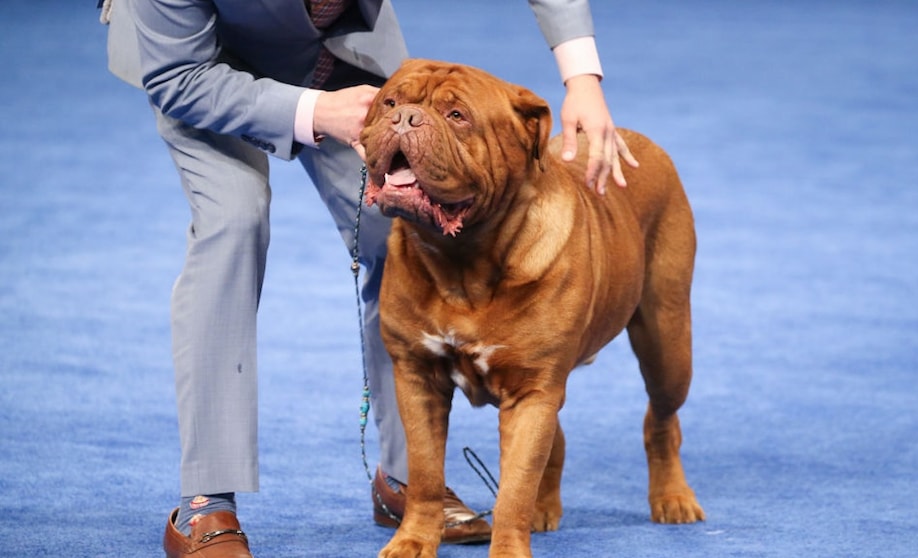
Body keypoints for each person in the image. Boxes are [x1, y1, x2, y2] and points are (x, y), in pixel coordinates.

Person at [101, 0, 636, 556]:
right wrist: (314, 112)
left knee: (401, 228)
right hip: (196, 60)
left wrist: (582, 77)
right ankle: (205, 504)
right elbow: (181, 77)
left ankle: (408, 482)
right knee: (233, 223)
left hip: (337, 51)